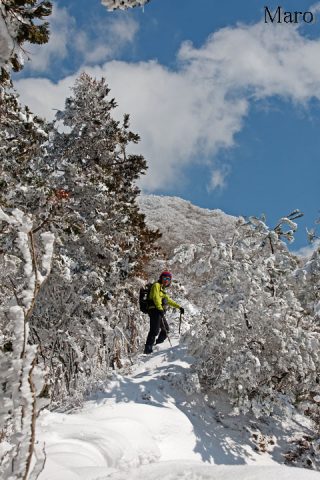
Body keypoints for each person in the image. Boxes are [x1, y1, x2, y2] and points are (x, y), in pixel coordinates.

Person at [144, 271, 184, 354]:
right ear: (161, 278)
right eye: (165, 278)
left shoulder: (162, 289)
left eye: (168, 279)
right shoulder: (156, 286)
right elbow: (156, 298)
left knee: (165, 330)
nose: (166, 280)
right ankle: (148, 350)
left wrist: (179, 307)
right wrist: (160, 308)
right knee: (154, 331)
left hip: (158, 310)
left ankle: (157, 347)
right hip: (154, 310)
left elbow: (168, 300)